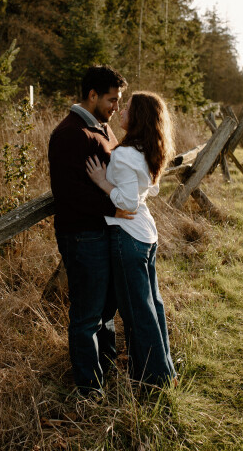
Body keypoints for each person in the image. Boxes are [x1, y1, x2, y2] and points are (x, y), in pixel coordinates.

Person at [48, 65, 130, 398]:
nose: (116, 107)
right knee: (86, 315)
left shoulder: (102, 128)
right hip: (83, 236)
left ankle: (106, 368)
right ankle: (89, 389)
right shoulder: (70, 133)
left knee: (106, 309)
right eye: (112, 100)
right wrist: (113, 208)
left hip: (104, 231)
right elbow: (69, 193)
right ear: (92, 95)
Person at [86, 91, 177, 387]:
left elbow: (127, 203)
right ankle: (165, 371)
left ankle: (154, 380)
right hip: (145, 235)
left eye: (127, 107)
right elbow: (148, 190)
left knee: (138, 313)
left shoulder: (126, 155)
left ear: (138, 117)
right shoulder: (146, 149)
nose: (121, 111)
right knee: (152, 306)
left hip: (128, 237)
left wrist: (102, 182)